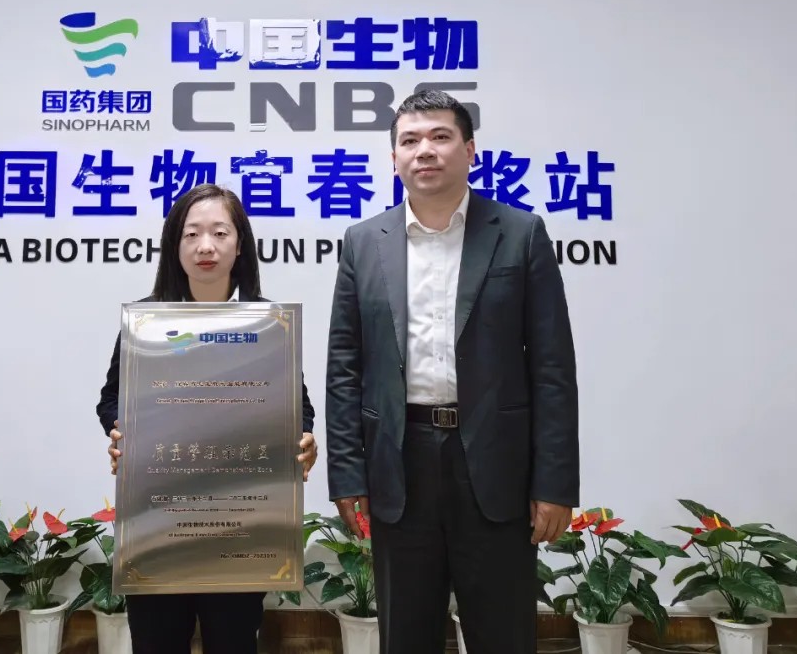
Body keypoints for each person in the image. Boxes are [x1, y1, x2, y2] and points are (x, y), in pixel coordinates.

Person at [324, 90, 579, 654]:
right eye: (409, 140)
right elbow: (345, 367)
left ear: (470, 150)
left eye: (440, 137)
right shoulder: (364, 242)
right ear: (393, 158)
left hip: (494, 463)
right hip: (400, 461)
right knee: (406, 634)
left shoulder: (520, 233)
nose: (425, 150)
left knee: (503, 633)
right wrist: (347, 474)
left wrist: (555, 483)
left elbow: (553, 368)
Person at [95, 183, 318, 654]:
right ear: (174, 245)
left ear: (240, 244)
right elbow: (111, 399)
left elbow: (299, 407)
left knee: (233, 641)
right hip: (158, 521)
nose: (206, 246)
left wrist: (304, 439)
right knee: (156, 641)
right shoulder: (147, 322)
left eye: (220, 232)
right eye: (192, 233)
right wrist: (122, 430)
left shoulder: (266, 324)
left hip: (240, 522)